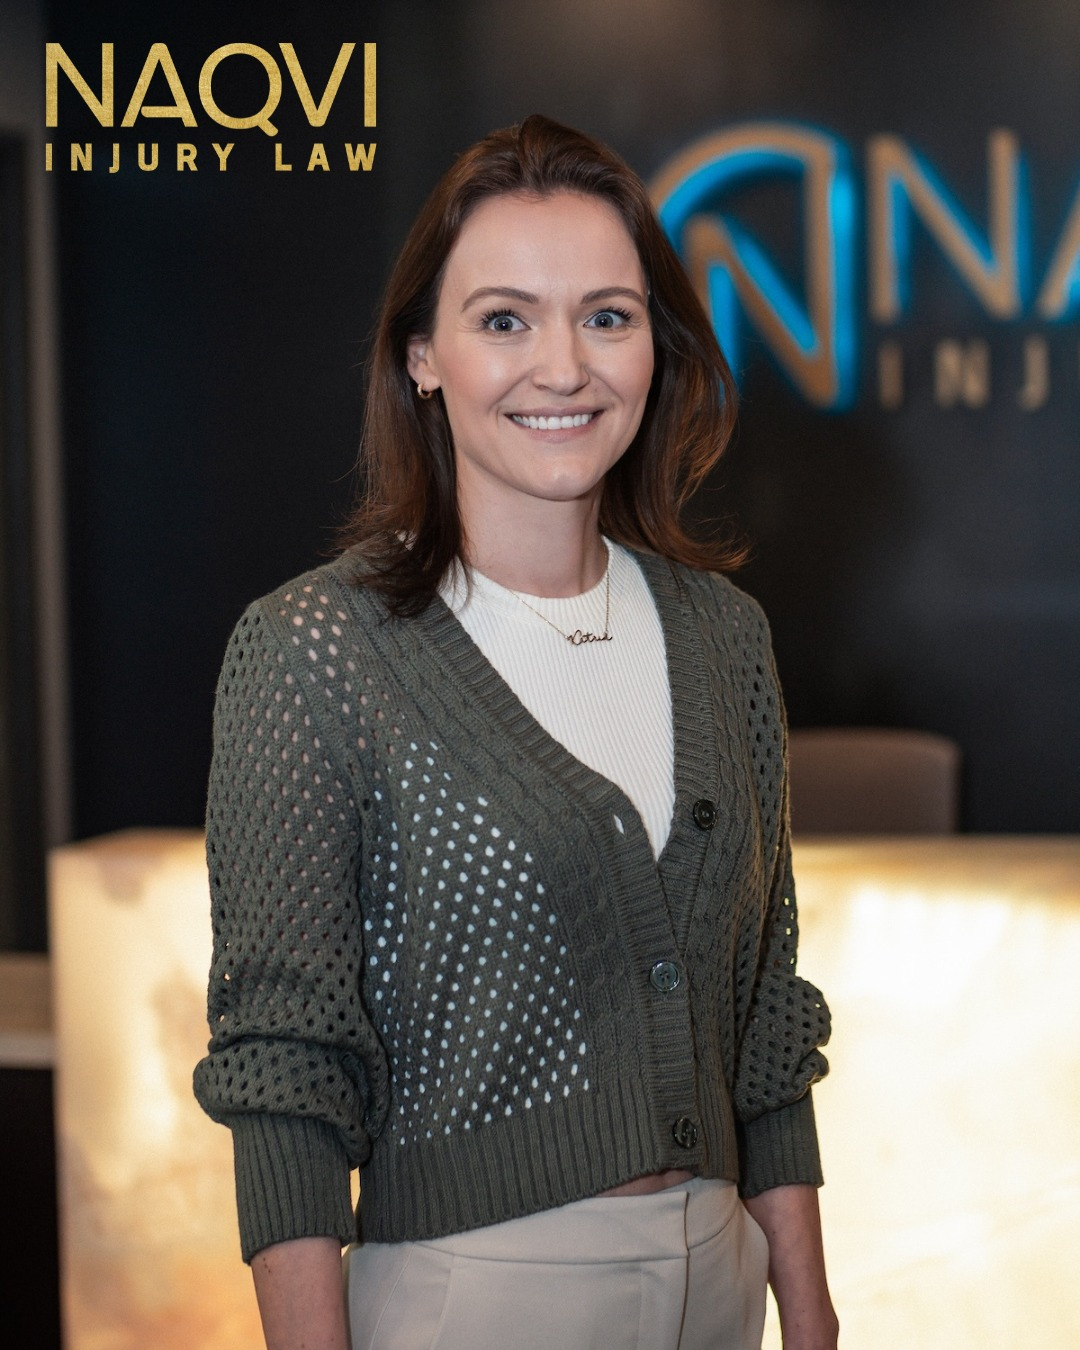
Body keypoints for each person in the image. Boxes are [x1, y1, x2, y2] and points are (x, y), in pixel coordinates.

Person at [194, 113, 837, 1350]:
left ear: (655, 344)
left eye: (608, 315)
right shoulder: (314, 652)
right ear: (423, 357)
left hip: (723, 1284)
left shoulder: (725, 637)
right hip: (472, 1297)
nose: (564, 366)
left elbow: (766, 1019)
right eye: (504, 320)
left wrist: (805, 1308)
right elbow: (284, 1072)